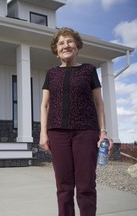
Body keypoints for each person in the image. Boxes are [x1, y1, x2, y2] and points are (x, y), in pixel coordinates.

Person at [39, 27, 113, 216]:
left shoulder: (89, 70)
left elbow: (99, 103)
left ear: (77, 46)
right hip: (58, 133)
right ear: (56, 50)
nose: (66, 45)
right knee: (63, 187)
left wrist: (103, 131)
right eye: (61, 43)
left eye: (70, 41)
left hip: (86, 132)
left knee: (86, 185)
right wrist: (43, 133)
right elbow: (44, 106)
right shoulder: (51, 73)